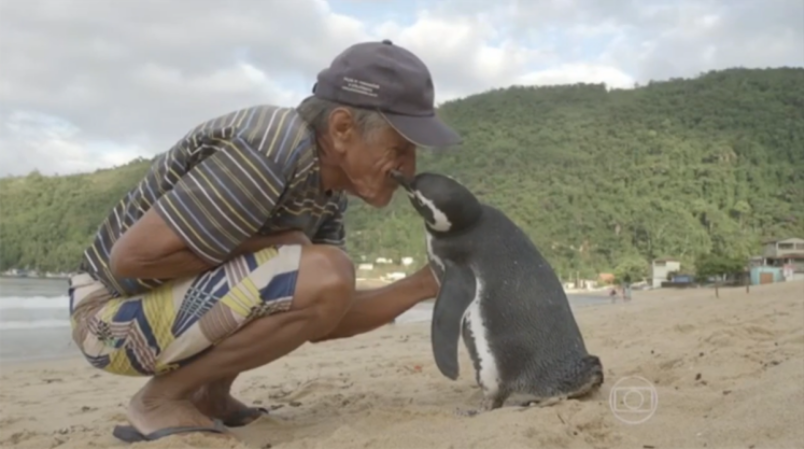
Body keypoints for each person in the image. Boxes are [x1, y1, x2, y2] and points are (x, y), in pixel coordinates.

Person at [68, 39, 461, 442]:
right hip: (105, 318)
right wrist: (276, 246)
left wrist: (425, 283)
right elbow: (130, 261)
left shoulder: (326, 192)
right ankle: (160, 400)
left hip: (151, 311)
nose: (409, 169)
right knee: (322, 267)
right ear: (342, 129)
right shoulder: (272, 145)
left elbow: (324, 312)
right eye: (399, 148)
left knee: (325, 271)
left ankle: (210, 395)